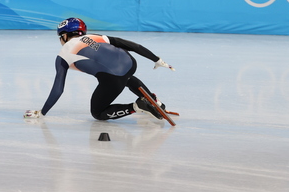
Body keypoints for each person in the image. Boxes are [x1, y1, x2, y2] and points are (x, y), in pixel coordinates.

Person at [24, 18, 175, 121]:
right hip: (130, 63)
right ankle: (154, 101)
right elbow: (132, 45)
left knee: (98, 113)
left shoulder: (62, 55)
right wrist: (157, 59)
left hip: (113, 78)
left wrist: (42, 112)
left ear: (64, 36)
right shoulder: (96, 36)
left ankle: (137, 106)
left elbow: (58, 89)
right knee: (126, 77)